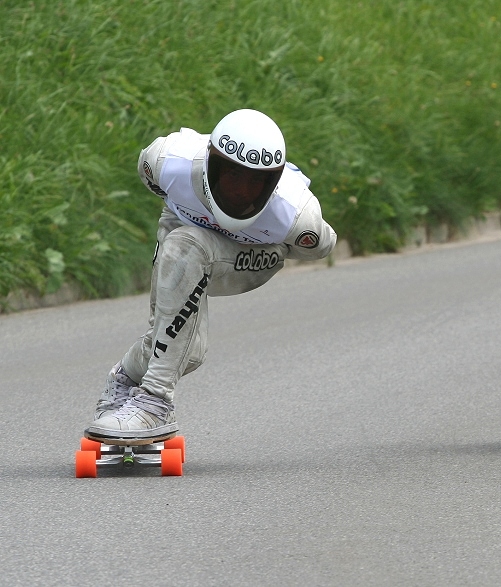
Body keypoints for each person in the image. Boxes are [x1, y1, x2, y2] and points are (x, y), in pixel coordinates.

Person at [86, 109, 336, 441]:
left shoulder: (298, 216)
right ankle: (125, 380)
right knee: (186, 349)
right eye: (231, 175)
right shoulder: (164, 162)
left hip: (247, 256)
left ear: (273, 184)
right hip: (181, 231)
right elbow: (155, 185)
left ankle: (154, 403)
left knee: (188, 244)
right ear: (209, 162)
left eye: (255, 183)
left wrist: (262, 247)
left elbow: (319, 248)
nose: (240, 191)